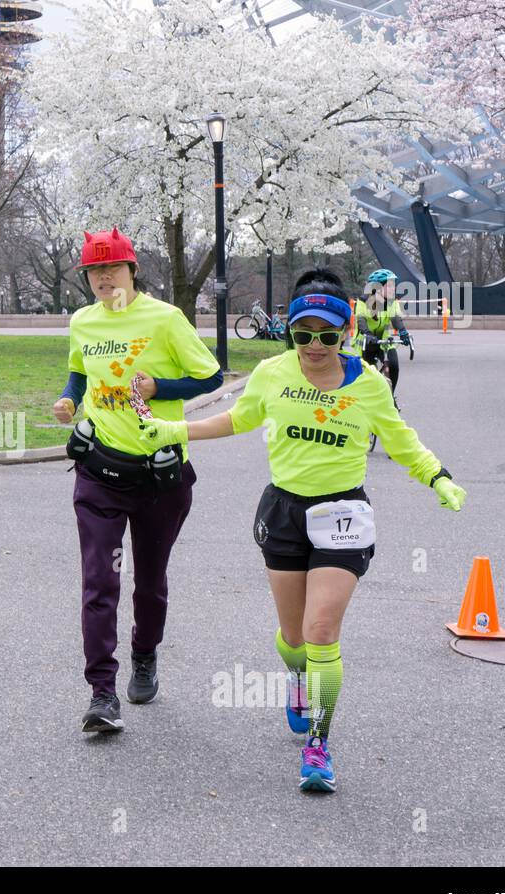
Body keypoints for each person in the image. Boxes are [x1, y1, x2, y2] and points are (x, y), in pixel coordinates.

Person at [137, 267, 466, 792]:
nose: (314, 345)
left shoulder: (370, 384)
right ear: (290, 330)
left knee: (321, 633)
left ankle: (319, 743)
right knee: (293, 639)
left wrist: (437, 476)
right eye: (303, 333)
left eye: (326, 334)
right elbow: (237, 419)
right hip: (284, 512)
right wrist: (174, 429)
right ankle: (295, 676)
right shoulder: (271, 373)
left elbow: (401, 440)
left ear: (346, 331)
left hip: (343, 517)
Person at [52, 227, 223, 733]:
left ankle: (144, 654)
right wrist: (68, 398)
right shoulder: (83, 321)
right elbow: (79, 374)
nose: (103, 277)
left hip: (160, 476)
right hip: (100, 472)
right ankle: (102, 692)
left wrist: (159, 386)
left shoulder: (166, 319)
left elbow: (211, 376)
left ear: (133, 269)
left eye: (112, 267)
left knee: (148, 582)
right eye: (94, 271)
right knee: (100, 581)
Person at [354, 269, 412, 396]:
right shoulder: (363, 301)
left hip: (383, 338)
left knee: (394, 366)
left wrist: (403, 332)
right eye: (390, 285)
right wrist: (367, 334)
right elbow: (361, 319)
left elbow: (395, 318)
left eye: (394, 285)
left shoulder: (392, 301)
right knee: (365, 372)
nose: (393, 288)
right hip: (365, 339)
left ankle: (391, 396)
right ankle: (364, 396)